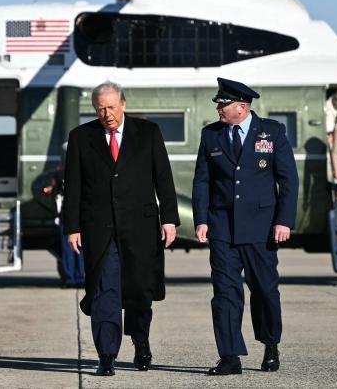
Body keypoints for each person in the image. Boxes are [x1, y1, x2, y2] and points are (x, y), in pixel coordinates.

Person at [62, 81, 179, 376]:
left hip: (140, 228)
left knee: (140, 290)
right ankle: (106, 355)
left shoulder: (148, 133)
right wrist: (72, 226)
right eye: (101, 108)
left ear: (123, 104)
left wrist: (169, 219)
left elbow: (163, 178)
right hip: (99, 230)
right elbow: (72, 185)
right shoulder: (80, 137)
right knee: (104, 293)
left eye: (112, 107)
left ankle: (141, 342)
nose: (107, 114)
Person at [192, 78, 299, 376]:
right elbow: (202, 180)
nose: (218, 108)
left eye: (223, 103)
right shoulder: (211, 135)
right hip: (223, 227)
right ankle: (229, 356)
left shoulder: (272, 132)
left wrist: (283, 221)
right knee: (225, 293)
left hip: (262, 227)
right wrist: (201, 219)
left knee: (265, 291)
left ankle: (270, 344)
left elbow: (288, 179)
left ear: (241, 106)